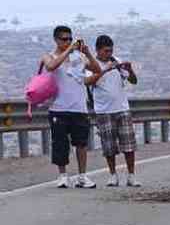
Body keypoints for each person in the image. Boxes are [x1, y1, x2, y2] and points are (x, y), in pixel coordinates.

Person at [40, 25, 102, 188]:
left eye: (69, 39)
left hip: (79, 107)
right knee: (60, 143)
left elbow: (97, 69)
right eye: (64, 39)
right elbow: (51, 66)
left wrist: (86, 52)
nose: (67, 42)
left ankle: (82, 176)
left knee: (81, 143)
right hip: (58, 107)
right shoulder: (49, 56)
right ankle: (63, 176)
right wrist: (68, 51)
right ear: (56, 39)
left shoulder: (79, 58)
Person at [85, 35, 141, 187]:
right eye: (106, 51)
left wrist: (129, 69)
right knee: (109, 146)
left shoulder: (116, 61)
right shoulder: (91, 64)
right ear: (98, 50)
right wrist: (104, 69)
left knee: (128, 144)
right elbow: (88, 82)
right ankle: (113, 175)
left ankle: (131, 175)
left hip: (122, 108)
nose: (109, 54)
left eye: (111, 50)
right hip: (103, 110)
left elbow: (133, 81)